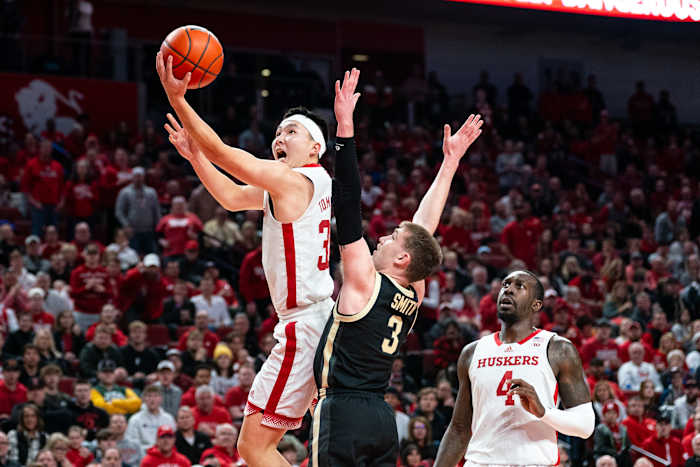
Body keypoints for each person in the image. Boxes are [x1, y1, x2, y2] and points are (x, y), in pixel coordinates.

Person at [159, 52, 337, 467]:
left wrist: (179, 100)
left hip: (306, 326)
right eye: (277, 131)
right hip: (320, 319)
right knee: (303, 445)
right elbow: (230, 196)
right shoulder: (304, 184)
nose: (279, 137)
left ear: (314, 146)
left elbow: (224, 152)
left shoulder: (294, 179)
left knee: (253, 447)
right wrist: (195, 158)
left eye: (290, 131)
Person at [309, 69, 482, 466]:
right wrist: (450, 161)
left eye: (391, 239)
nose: (383, 238)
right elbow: (424, 228)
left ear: (402, 259)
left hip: (343, 411)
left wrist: (345, 130)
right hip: (383, 419)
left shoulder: (363, 282)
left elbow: (348, 204)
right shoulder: (413, 293)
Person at [434, 270, 595, 466]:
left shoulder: (557, 348)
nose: (508, 289)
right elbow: (459, 428)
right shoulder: (472, 352)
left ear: (536, 304)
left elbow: (585, 426)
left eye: (519, 286)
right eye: (505, 284)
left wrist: (543, 412)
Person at [125, 385, 175, 453]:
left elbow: (173, 440)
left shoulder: (168, 419)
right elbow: (132, 443)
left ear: (161, 399)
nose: (152, 399)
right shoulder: (135, 419)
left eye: (155, 396)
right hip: (143, 455)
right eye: (149, 396)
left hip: (165, 454)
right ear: (144, 399)